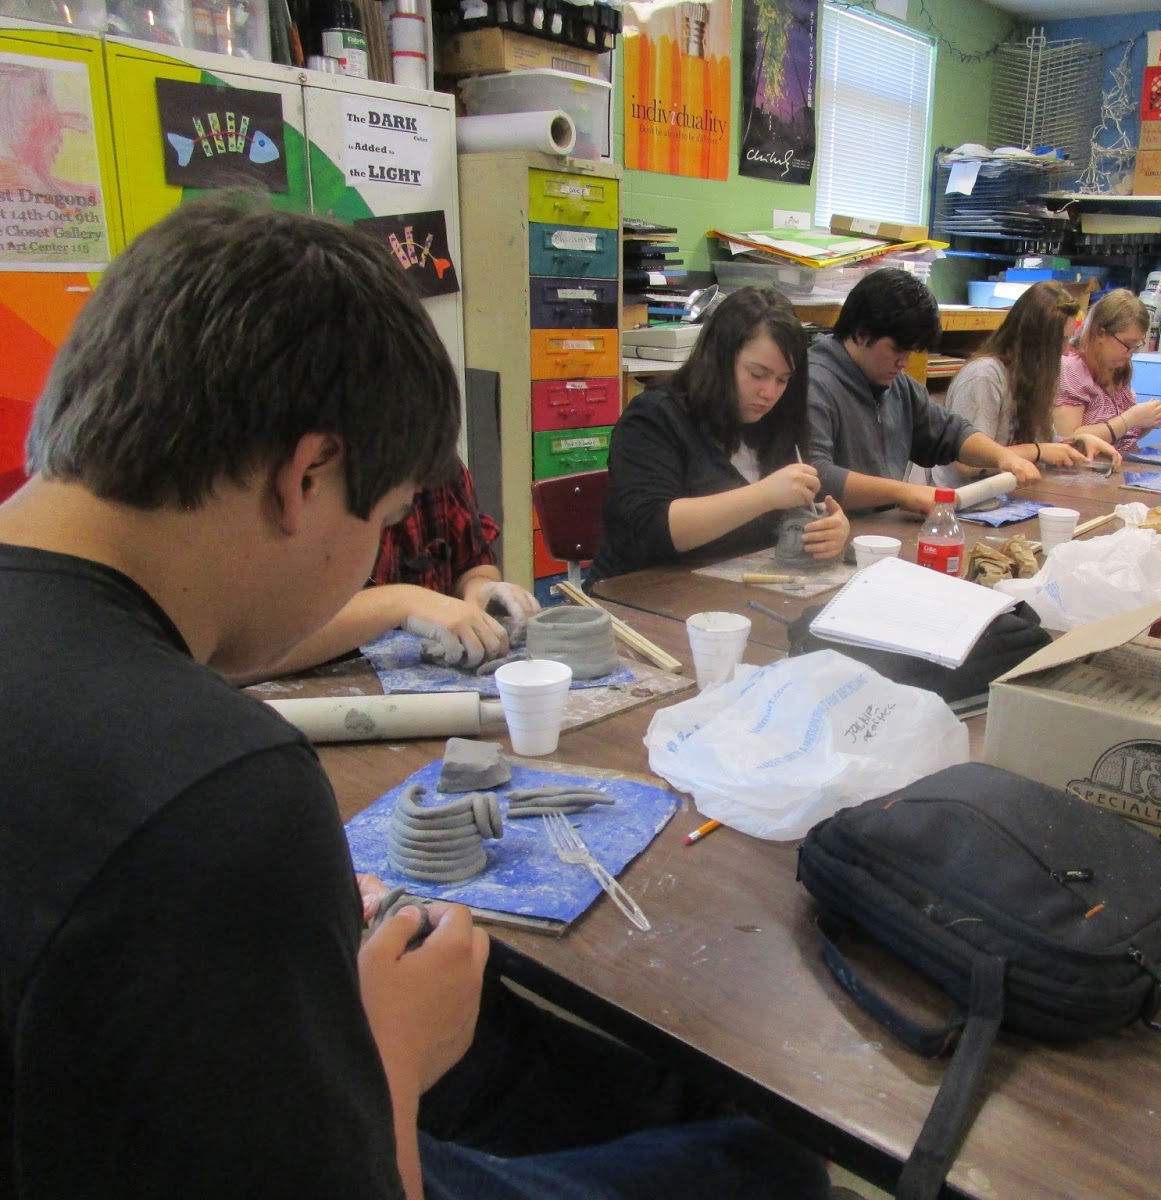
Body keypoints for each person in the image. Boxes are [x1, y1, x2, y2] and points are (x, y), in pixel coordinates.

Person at [0, 198, 828, 1200]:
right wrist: (392, 1054)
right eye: (386, 518)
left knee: (596, 1070)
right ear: (308, 475)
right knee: (769, 1155)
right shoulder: (217, 788)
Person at [591, 286, 849, 583]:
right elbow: (653, 529)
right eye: (757, 374)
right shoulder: (654, 416)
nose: (769, 393)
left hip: (729, 592)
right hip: (640, 594)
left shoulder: (775, 422)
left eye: (782, 380)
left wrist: (827, 530)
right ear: (720, 359)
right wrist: (764, 495)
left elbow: (788, 517)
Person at [252, 461, 539, 679]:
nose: (412, 494)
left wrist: (479, 590)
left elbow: (473, 561)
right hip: (304, 701)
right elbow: (240, 653)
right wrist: (401, 603)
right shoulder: (290, 487)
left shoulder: (437, 467)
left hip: (427, 698)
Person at [808, 268, 1044, 514]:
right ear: (861, 333)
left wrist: (1002, 457)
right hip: (821, 534)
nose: (904, 363)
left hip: (876, 530)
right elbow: (815, 476)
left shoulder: (897, 386)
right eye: (898, 350)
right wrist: (903, 492)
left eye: (911, 352)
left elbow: (950, 433)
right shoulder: (814, 384)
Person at [931, 281, 1121, 489]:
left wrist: (1077, 443)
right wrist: (1038, 451)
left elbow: (1044, 442)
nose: (1066, 351)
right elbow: (967, 463)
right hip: (967, 501)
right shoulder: (984, 376)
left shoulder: (1034, 375)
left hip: (1009, 494)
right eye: (1061, 341)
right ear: (1035, 340)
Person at [1052, 288, 1161, 453]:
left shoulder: (1116, 364)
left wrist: (1146, 421)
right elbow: (1069, 440)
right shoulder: (1071, 368)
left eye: (1137, 345)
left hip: (1121, 463)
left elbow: (1120, 436)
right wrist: (1130, 419)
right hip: (1086, 470)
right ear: (1100, 334)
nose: (1131, 352)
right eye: (1128, 344)